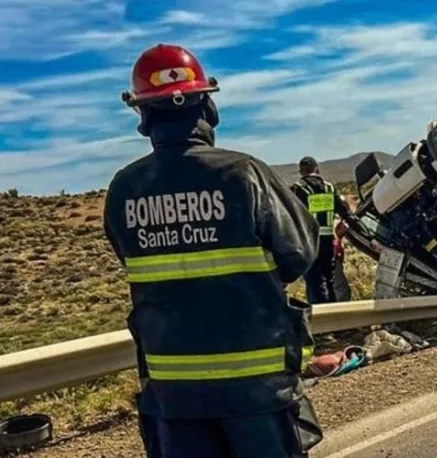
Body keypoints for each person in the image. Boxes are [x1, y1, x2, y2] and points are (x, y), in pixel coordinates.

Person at [103, 43, 322, 458]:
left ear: (144, 116)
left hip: (174, 396)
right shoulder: (244, 173)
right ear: (207, 108)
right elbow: (299, 253)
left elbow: (129, 256)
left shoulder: (124, 189)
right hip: (257, 391)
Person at [290, 156, 360, 304]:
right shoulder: (329, 188)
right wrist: (366, 234)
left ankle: (321, 319)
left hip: (309, 242)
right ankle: (333, 318)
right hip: (327, 242)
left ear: (301, 172)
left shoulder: (297, 189)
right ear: (317, 169)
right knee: (329, 280)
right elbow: (346, 214)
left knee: (315, 282)